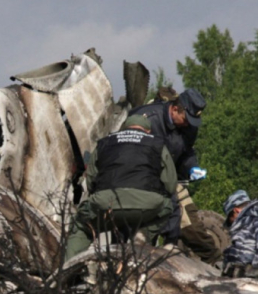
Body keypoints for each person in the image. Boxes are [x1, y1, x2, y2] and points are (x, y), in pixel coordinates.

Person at [64, 115, 177, 260]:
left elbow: (91, 181)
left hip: (107, 206)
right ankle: (141, 236)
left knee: (81, 223)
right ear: (148, 131)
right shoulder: (157, 143)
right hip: (146, 207)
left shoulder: (105, 142)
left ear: (124, 129)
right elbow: (170, 184)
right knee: (167, 207)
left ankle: (69, 271)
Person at [131, 88, 222, 265]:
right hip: (140, 182)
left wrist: (192, 168)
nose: (189, 124)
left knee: (193, 229)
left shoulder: (188, 127)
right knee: (143, 233)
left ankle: (218, 264)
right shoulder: (147, 119)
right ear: (175, 109)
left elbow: (186, 152)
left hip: (171, 181)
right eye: (186, 119)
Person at [222, 190, 258, 276]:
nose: (231, 223)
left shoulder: (253, 219)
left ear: (236, 211)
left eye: (230, 218)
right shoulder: (249, 220)